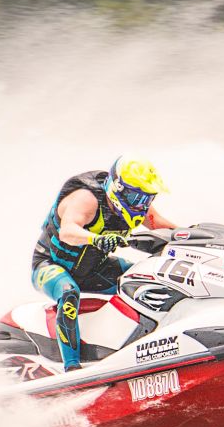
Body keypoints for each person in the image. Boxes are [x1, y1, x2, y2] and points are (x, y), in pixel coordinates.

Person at [32, 154, 177, 372]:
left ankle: (155, 346)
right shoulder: (86, 198)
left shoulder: (136, 207)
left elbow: (163, 227)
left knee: (148, 278)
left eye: (148, 199)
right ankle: (71, 368)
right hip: (50, 266)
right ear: (120, 189)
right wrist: (96, 239)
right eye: (139, 198)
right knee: (68, 292)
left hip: (93, 269)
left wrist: (195, 235)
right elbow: (68, 232)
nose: (143, 205)